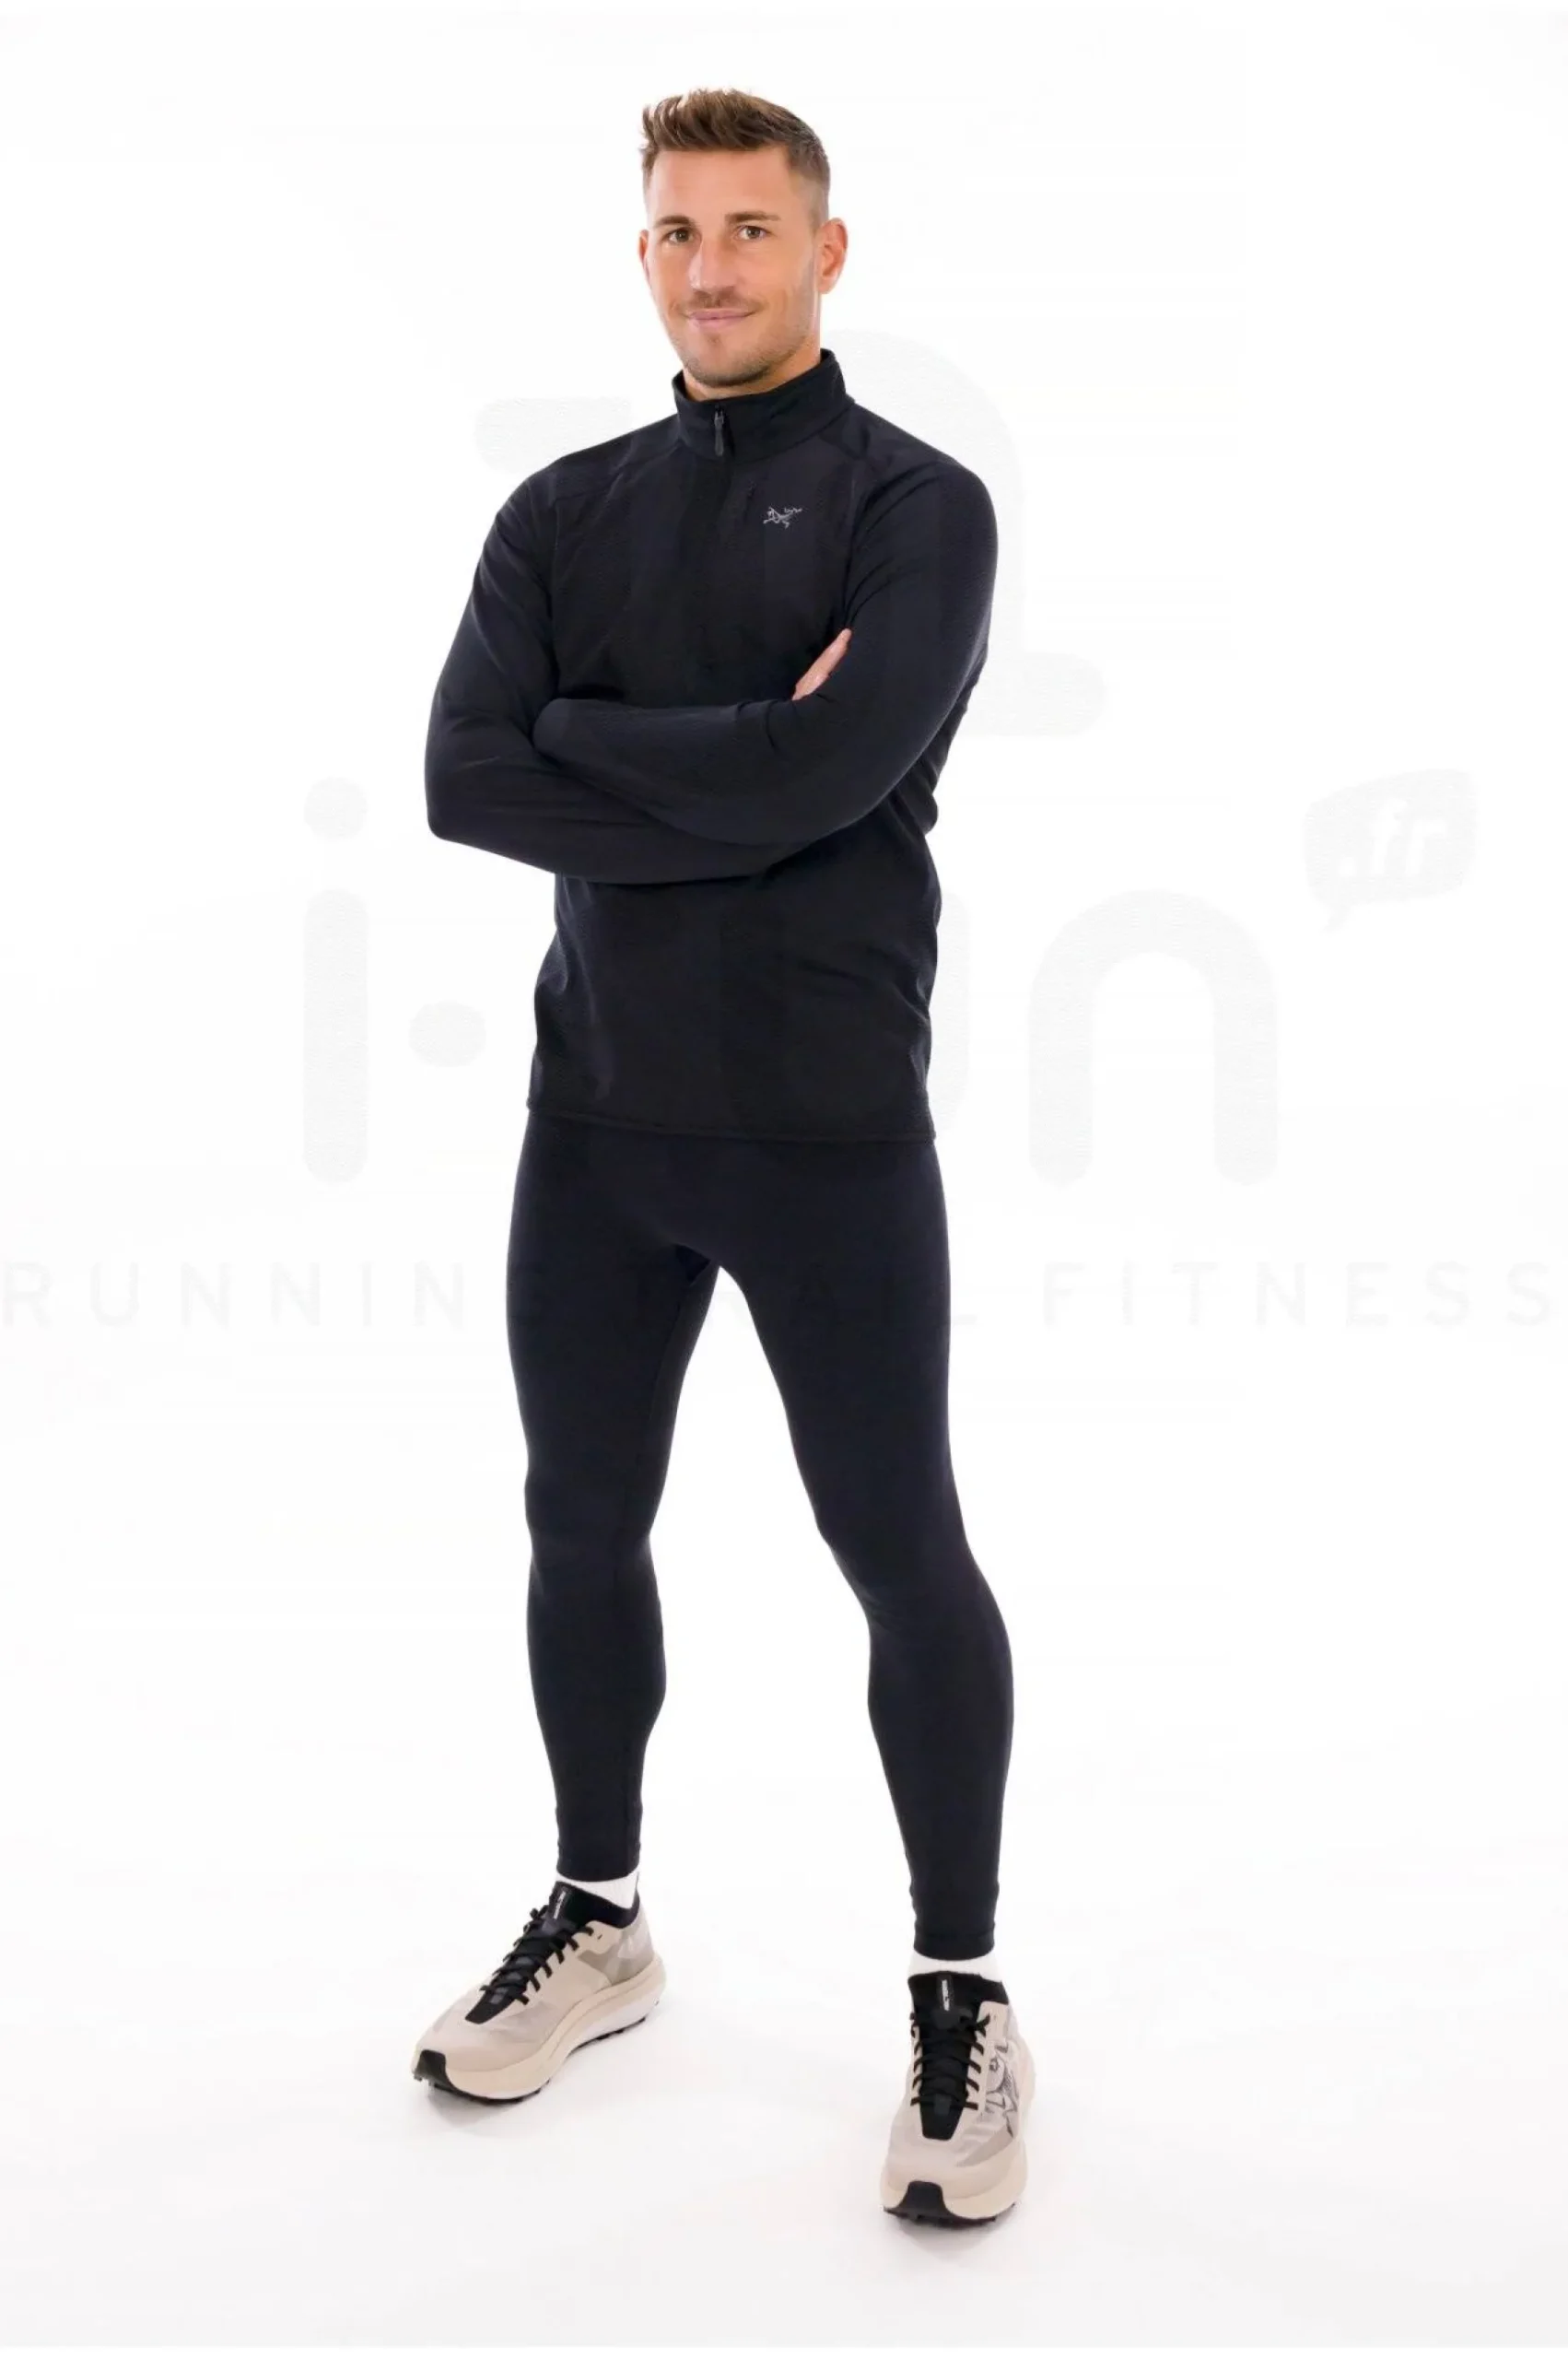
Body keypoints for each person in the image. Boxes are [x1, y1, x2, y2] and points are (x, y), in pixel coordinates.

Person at [410, 86, 1033, 2225]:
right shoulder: (561, 508)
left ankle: (958, 1988)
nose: (711, 266)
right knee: (576, 1522)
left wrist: (595, 739)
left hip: (825, 1129)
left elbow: (820, 775)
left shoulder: (915, 507)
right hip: (593, 1122)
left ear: (824, 252)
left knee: (896, 1543)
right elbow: (461, 781)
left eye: (751, 229)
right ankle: (599, 1915)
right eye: (678, 230)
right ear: (644, 253)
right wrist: (743, 760)